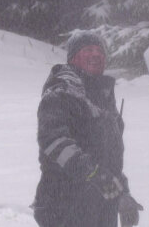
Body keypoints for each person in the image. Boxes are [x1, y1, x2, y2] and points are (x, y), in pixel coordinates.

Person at [32, 31, 143, 227]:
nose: (96, 55)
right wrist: (96, 175)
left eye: (100, 51)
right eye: (88, 49)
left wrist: (122, 194)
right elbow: (54, 142)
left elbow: (109, 160)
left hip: (99, 208)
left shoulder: (103, 99)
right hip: (64, 205)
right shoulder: (61, 91)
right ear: (73, 57)